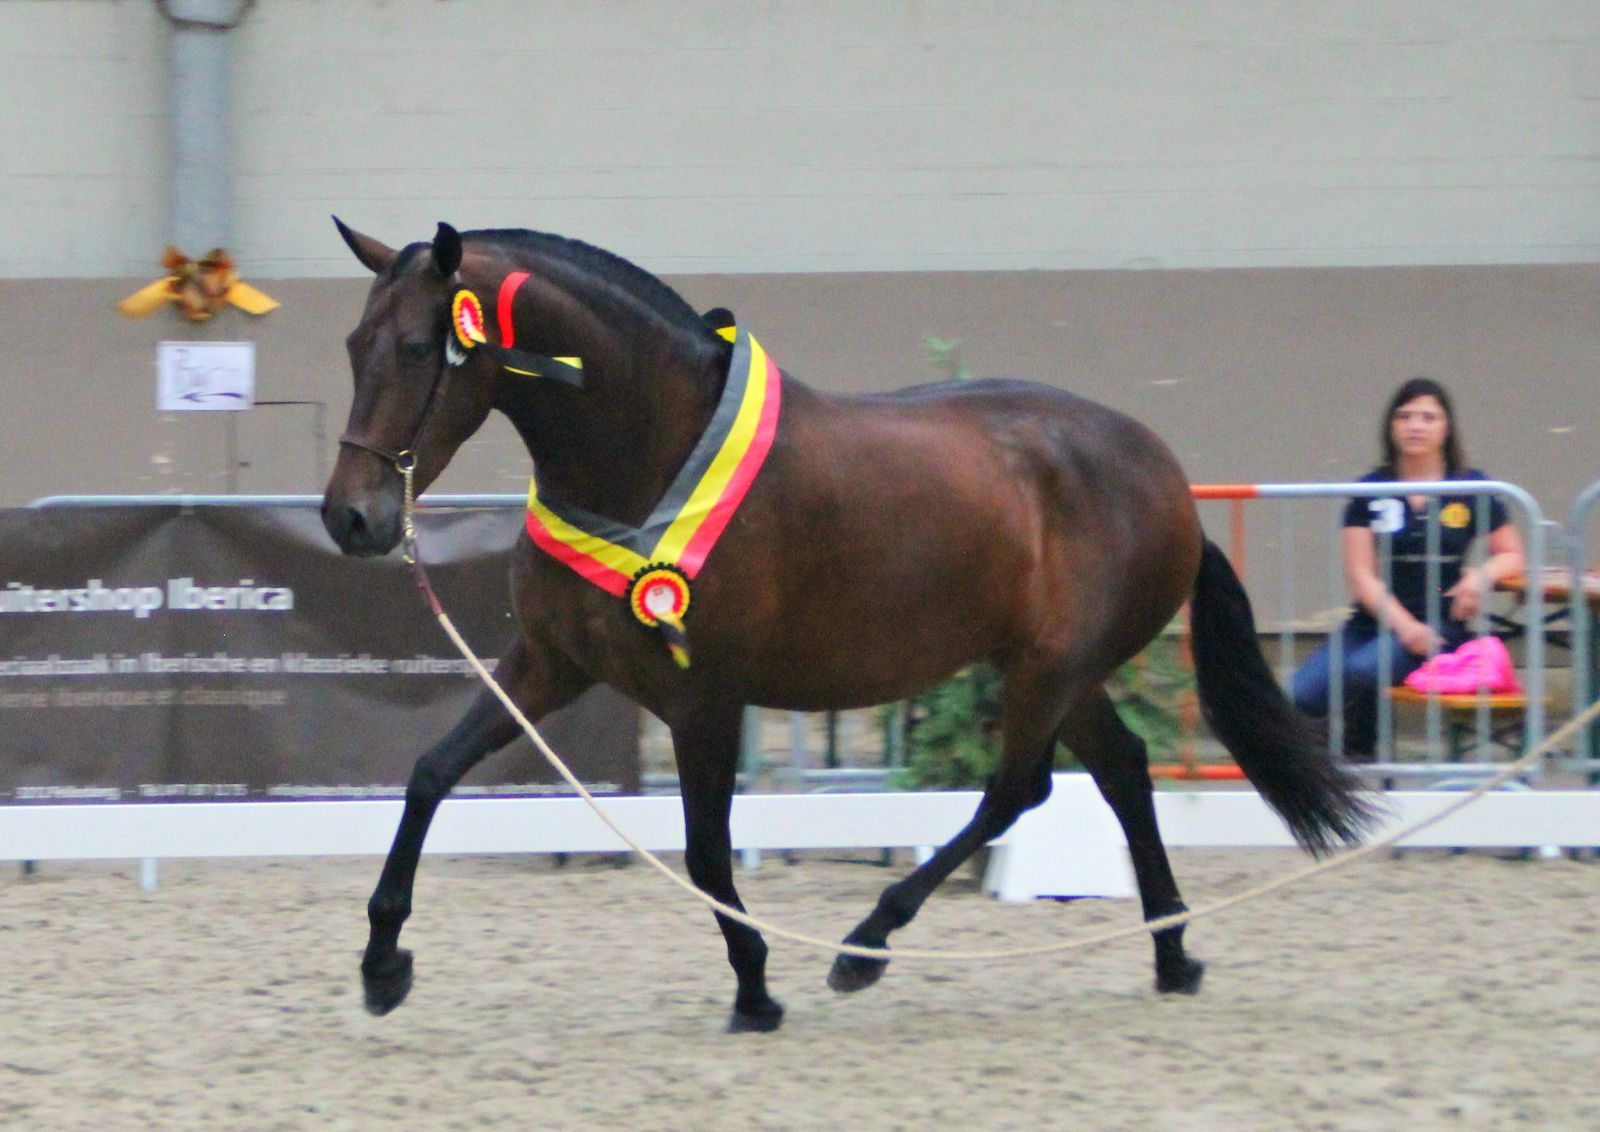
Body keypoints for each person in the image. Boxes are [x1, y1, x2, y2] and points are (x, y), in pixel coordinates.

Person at [1290, 377, 1525, 759]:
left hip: (1440, 623)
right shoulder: (1369, 488)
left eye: (1428, 417)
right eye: (1405, 416)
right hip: (1374, 622)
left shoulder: (1470, 485)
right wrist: (1404, 627)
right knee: (1300, 694)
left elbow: (1512, 554)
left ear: (1446, 427)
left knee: (1365, 670)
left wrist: (1480, 577)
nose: (1416, 426)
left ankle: (1360, 757)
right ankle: (1320, 770)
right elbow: (1361, 576)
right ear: (1391, 425)